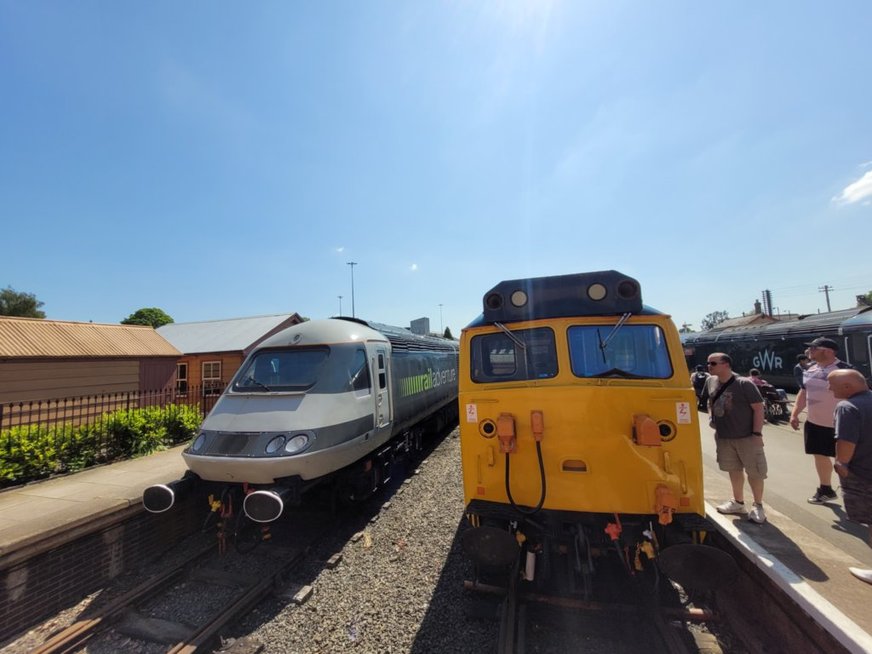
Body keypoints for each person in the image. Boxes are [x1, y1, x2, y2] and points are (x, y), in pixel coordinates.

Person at [789, 337, 853, 504]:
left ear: (828, 351)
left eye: (814, 348)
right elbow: (804, 392)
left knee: (848, 461)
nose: (810, 351)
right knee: (820, 455)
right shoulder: (809, 369)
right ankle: (826, 489)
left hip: (842, 425)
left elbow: (859, 395)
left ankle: (854, 495)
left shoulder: (845, 370)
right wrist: (795, 413)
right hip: (815, 423)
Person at [706, 353, 768, 523]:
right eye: (708, 363)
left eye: (713, 363)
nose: (709, 366)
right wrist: (712, 417)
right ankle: (738, 501)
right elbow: (710, 401)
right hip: (724, 436)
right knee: (733, 469)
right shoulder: (711, 381)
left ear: (726, 364)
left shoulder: (744, 384)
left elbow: (758, 408)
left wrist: (757, 433)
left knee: (755, 471)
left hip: (746, 436)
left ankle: (758, 505)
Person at [828, 369, 872, 585]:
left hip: (863, 475)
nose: (829, 389)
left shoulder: (847, 407)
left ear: (848, 386)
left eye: (832, 385)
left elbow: (845, 442)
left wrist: (841, 464)